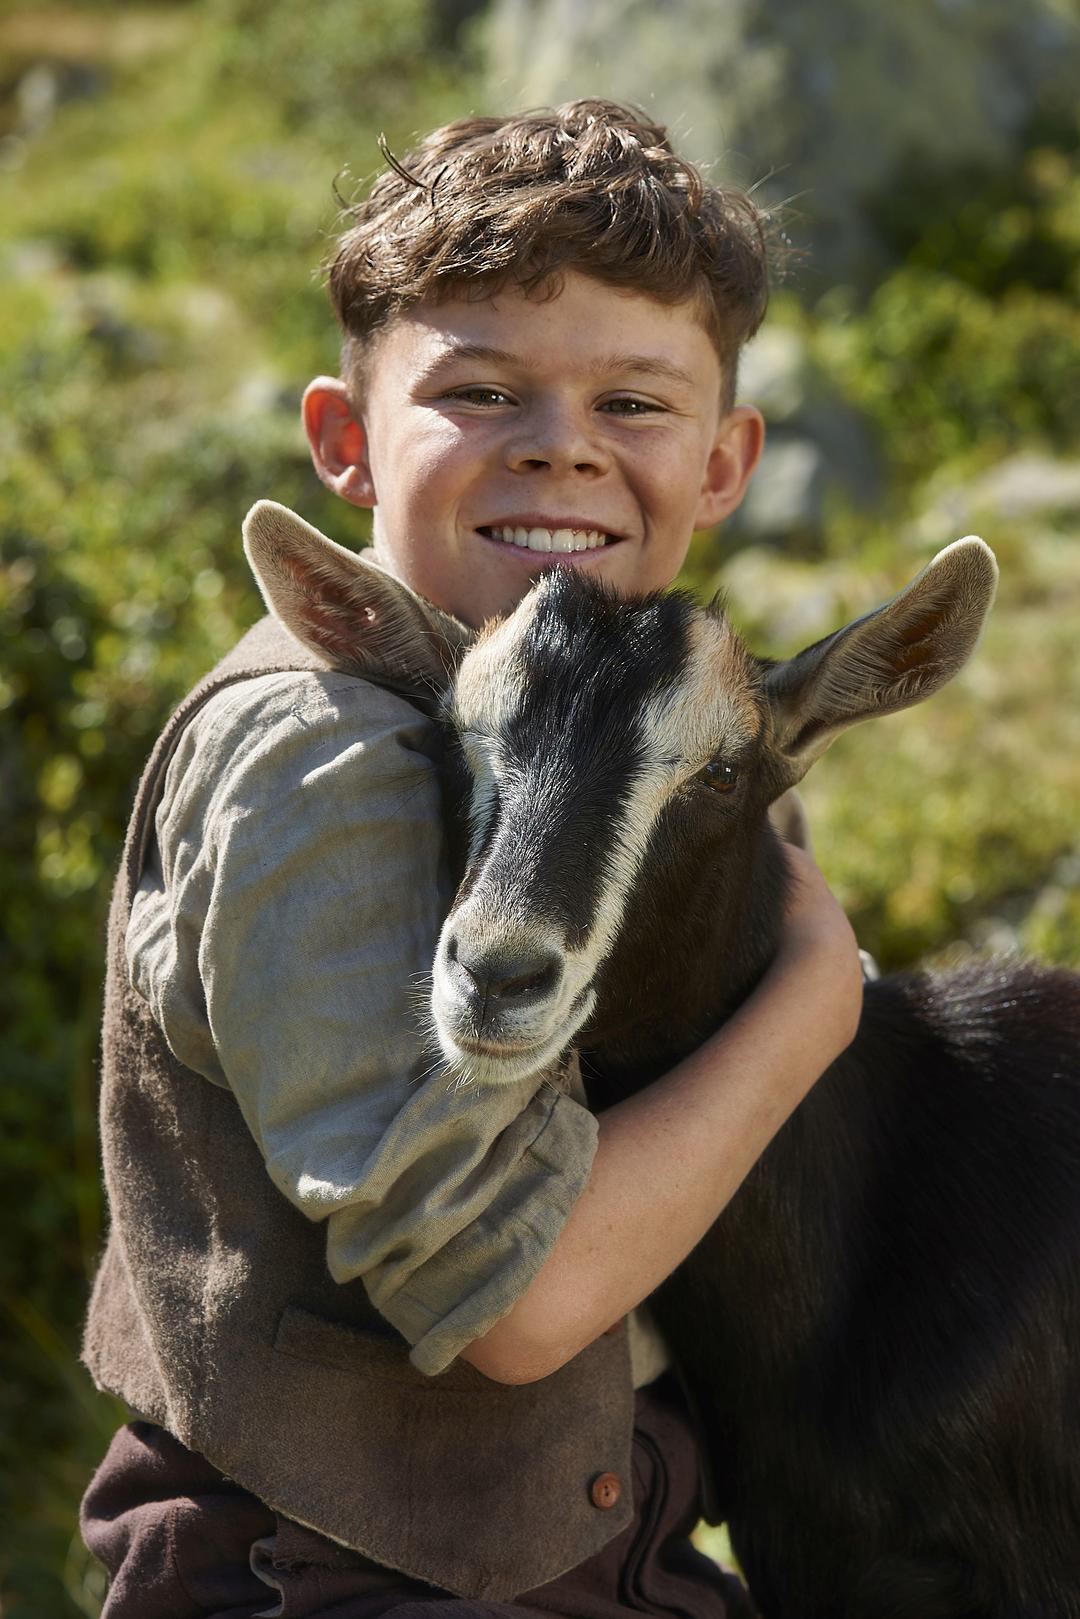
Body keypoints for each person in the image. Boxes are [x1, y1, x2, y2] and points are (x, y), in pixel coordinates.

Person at [80, 100, 864, 1619]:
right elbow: (511, 1300)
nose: (562, 447)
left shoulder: (673, 726)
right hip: (325, 1577)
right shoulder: (319, 752)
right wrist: (815, 1006)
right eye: (484, 390)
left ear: (724, 465)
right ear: (346, 443)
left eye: (635, 404)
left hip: (620, 1555)